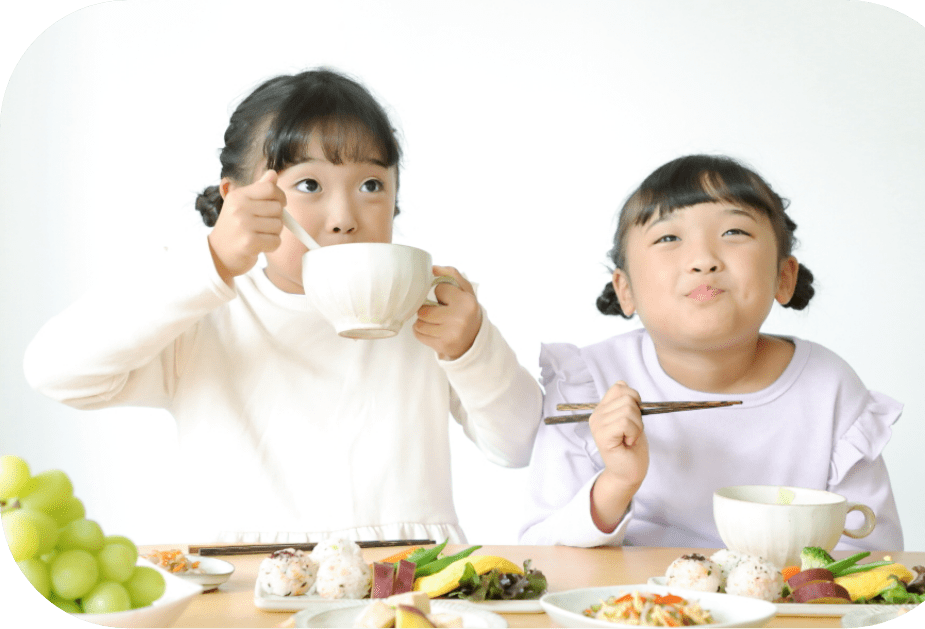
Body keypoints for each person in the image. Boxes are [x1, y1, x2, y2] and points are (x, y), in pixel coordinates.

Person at [23, 68, 542, 544]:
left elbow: (519, 445)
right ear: (236, 200)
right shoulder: (201, 311)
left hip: (405, 588)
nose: (343, 217)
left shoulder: (427, 312)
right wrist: (210, 263)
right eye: (309, 184)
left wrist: (472, 347)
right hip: (247, 593)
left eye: (371, 185)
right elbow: (57, 372)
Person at [518, 154, 904, 551]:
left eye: (734, 231)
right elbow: (540, 551)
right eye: (668, 238)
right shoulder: (587, 380)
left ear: (783, 277)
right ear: (625, 289)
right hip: (631, 609)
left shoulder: (829, 387)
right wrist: (617, 482)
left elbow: (872, 554)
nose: (704, 260)